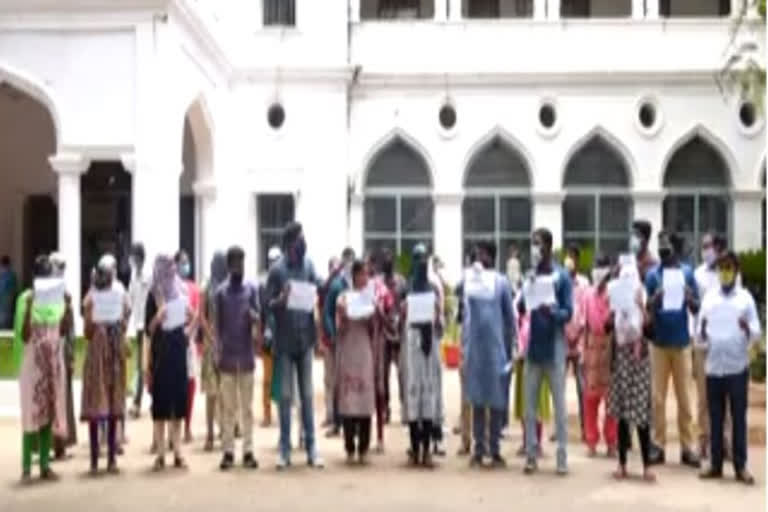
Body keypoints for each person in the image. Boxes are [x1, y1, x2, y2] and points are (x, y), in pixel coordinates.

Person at [698, 251, 759, 485]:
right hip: (714, 367)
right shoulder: (709, 299)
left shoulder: (745, 299)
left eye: (729, 268)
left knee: (738, 418)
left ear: (736, 271)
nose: (725, 272)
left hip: (737, 368)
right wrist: (702, 331)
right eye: (721, 268)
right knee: (715, 417)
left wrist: (746, 328)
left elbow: (757, 334)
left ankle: (740, 466)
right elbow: (699, 337)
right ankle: (715, 464)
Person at [267, 221, 324, 469]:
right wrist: (282, 298)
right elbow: (267, 304)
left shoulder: (309, 265)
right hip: (284, 342)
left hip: (306, 337)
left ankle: (311, 447)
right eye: (299, 239)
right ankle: (284, 449)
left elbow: (319, 286)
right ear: (290, 243)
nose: (303, 243)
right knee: (286, 396)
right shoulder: (277, 271)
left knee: (308, 395)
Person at [644, 231, 700, 468]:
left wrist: (689, 299)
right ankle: (658, 445)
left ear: (674, 249)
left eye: (666, 247)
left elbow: (697, 308)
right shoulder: (652, 275)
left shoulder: (687, 273)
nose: (662, 251)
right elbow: (646, 307)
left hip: (681, 343)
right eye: (660, 247)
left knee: (685, 398)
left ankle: (688, 447)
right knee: (657, 398)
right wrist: (654, 301)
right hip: (659, 343)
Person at [521, 228, 572, 475]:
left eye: (537, 244)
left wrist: (554, 313)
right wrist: (526, 287)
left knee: (559, 406)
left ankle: (562, 457)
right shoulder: (530, 275)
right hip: (533, 348)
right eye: (531, 244)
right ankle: (531, 453)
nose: (533, 249)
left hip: (555, 346)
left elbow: (568, 312)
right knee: (530, 407)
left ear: (548, 247)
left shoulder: (561, 277)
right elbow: (521, 306)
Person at [18, 255, 72, 483]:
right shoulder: (26, 298)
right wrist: (31, 308)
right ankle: (27, 468)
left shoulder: (55, 299)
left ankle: (44, 465)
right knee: (31, 414)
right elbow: (24, 335)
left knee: (48, 413)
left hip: (51, 364)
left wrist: (68, 307)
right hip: (33, 366)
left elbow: (61, 330)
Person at [462, 241, 515, 468]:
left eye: (484, 254)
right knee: (476, 400)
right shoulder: (470, 282)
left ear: (492, 257)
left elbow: (509, 317)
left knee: (495, 401)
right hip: (475, 349)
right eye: (478, 254)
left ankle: (494, 449)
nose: (480, 258)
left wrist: (510, 346)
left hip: (495, 350)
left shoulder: (501, 283)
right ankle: (478, 449)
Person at [607, 257, 655, 482]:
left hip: (641, 361)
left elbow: (650, 331)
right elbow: (608, 328)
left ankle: (646, 466)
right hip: (623, 361)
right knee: (624, 414)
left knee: (642, 414)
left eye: (630, 277)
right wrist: (615, 310)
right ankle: (622, 464)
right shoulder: (616, 304)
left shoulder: (642, 297)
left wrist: (641, 308)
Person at [81, 259, 130, 475]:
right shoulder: (90, 300)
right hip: (97, 359)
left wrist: (119, 317)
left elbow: (125, 323)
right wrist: (94, 316)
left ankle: (110, 458)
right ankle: (94, 460)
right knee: (96, 408)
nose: (107, 280)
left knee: (112, 409)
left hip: (113, 357)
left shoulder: (119, 297)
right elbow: (87, 333)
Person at [216, 246, 260, 470]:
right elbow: (217, 326)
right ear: (228, 265)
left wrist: (254, 318)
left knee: (248, 408)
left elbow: (258, 317)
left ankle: (249, 451)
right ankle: (228, 452)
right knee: (228, 408)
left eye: (242, 262)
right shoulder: (221, 293)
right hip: (227, 357)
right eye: (235, 263)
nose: (239, 267)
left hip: (246, 356)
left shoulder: (251, 289)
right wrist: (217, 352)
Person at [145, 254, 190, 471]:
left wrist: (191, 318)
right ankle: (161, 453)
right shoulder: (153, 294)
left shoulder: (180, 290)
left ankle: (178, 452)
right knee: (161, 404)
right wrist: (157, 318)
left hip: (179, 352)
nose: (172, 269)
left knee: (178, 403)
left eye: (173, 265)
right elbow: (148, 329)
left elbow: (189, 318)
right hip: (161, 354)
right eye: (168, 266)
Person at [400, 243, 443, 468]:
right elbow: (399, 321)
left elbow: (441, 326)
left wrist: (436, 315)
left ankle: (427, 449)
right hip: (413, 347)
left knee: (429, 398)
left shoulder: (433, 291)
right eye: (417, 259)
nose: (420, 264)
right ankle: (414, 448)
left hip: (429, 348)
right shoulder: (406, 290)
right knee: (413, 397)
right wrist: (405, 312)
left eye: (423, 260)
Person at [693, 233, 734, 459]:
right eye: (704, 246)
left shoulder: (729, 274)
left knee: (725, 394)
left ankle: (725, 442)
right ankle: (704, 441)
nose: (706, 250)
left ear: (718, 248)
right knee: (703, 395)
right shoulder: (698, 274)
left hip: (725, 342)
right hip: (703, 342)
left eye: (709, 246)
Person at [335, 259, 377, 464]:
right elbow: (340, 330)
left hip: (364, 351)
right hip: (349, 351)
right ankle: (350, 446)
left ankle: (364, 447)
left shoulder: (370, 299)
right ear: (354, 277)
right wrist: (342, 316)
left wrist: (373, 315)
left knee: (364, 399)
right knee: (349, 400)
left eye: (366, 275)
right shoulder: (343, 298)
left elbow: (373, 330)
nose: (364, 278)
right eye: (361, 275)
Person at [582, 254, 617, 458]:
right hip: (592, 346)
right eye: (596, 266)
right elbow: (584, 322)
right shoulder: (587, 293)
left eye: (601, 266)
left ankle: (612, 441)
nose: (598, 270)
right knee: (590, 398)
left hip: (610, 345)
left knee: (610, 399)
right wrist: (582, 350)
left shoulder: (614, 292)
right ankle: (591, 441)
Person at [322, 247, 355, 437]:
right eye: (347, 260)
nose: (350, 263)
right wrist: (333, 335)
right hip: (340, 341)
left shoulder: (359, 284)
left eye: (352, 259)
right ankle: (336, 422)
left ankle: (353, 420)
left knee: (354, 382)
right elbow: (327, 313)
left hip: (355, 341)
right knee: (337, 382)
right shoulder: (336, 285)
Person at [513, 295, 551, 457]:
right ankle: (527, 441)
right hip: (523, 363)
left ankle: (535, 442)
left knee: (535, 404)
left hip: (537, 363)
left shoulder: (540, 315)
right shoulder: (521, 319)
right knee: (525, 404)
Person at [49, 253, 77, 460]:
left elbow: (71, 330)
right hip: (47, 353)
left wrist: (71, 355)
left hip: (62, 352)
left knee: (64, 399)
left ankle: (62, 443)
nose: (61, 271)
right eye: (58, 266)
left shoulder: (65, 294)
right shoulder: (42, 293)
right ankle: (49, 444)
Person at [200, 251, 227, 451]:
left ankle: (225, 430)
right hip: (211, 344)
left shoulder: (229, 286)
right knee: (211, 392)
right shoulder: (206, 287)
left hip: (226, 344)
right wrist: (211, 336)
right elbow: (201, 315)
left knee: (226, 391)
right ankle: (209, 434)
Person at [563, 244, 588, 442]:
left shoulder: (585, 283)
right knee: (559, 386)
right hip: (562, 340)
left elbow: (586, 311)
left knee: (583, 387)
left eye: (572, 257)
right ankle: (559, 428)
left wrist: (577, 335)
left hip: (579, 341)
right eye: (567, 257)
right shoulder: (560, 282)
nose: (569, 261)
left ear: (578, 261)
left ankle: (585, 428)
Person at [379, 248, 407, 424]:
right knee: (383, 375)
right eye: (385, 259)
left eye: (390, 258)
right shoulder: (378, 283)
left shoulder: (401, 281)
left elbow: (405, 301)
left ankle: (405, 408)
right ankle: (385, 409)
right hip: (383, 333)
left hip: (399, 332)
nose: (388, 261)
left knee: (402, 373)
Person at [175, 249, 200, 444]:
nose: (186, 266)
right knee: (175, 384)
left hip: (187, 341)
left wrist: (190, 333)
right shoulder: (170, 287)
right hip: (173, 340)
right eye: (182, 262)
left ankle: (187, 426)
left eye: (187, 262)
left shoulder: (193, 288)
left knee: (190, 384)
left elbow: (197, 314)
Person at [259, 246, 282, 428]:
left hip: (283, 338)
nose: (274, 263)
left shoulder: (285, 283)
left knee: (282, 378)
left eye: (277, 260)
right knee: (267, 379)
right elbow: (261, 314)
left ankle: (283, 414)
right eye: (271, 260)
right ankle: (267, 414)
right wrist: (261, 335)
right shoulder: (263, 285)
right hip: (268, 337)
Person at [128, 243, 152, 419]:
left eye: (136, 256)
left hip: (148, 326)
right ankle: (138, 401)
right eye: (132, 256)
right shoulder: (133, 276)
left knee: (145, 365)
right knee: (141, 365)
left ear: (142, 257)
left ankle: (138, 402)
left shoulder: (148, 276)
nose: (134, 259)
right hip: (137, 326)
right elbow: (131, 300)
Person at [319, 256, 341, 428]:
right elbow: (321, 313)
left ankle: (340, 415)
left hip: (343, 341)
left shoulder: (344, 287)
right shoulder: (325, 288)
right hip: (328, 341)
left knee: (340, 379)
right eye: (332, 268)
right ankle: (330, 414)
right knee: (329, 379)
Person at [0, 254, 17, 329]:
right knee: (7, 318)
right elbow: (14, 289)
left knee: (4, 319)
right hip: (8, 299)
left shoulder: (5, 274)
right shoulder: (12, 275)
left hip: (4, 299)